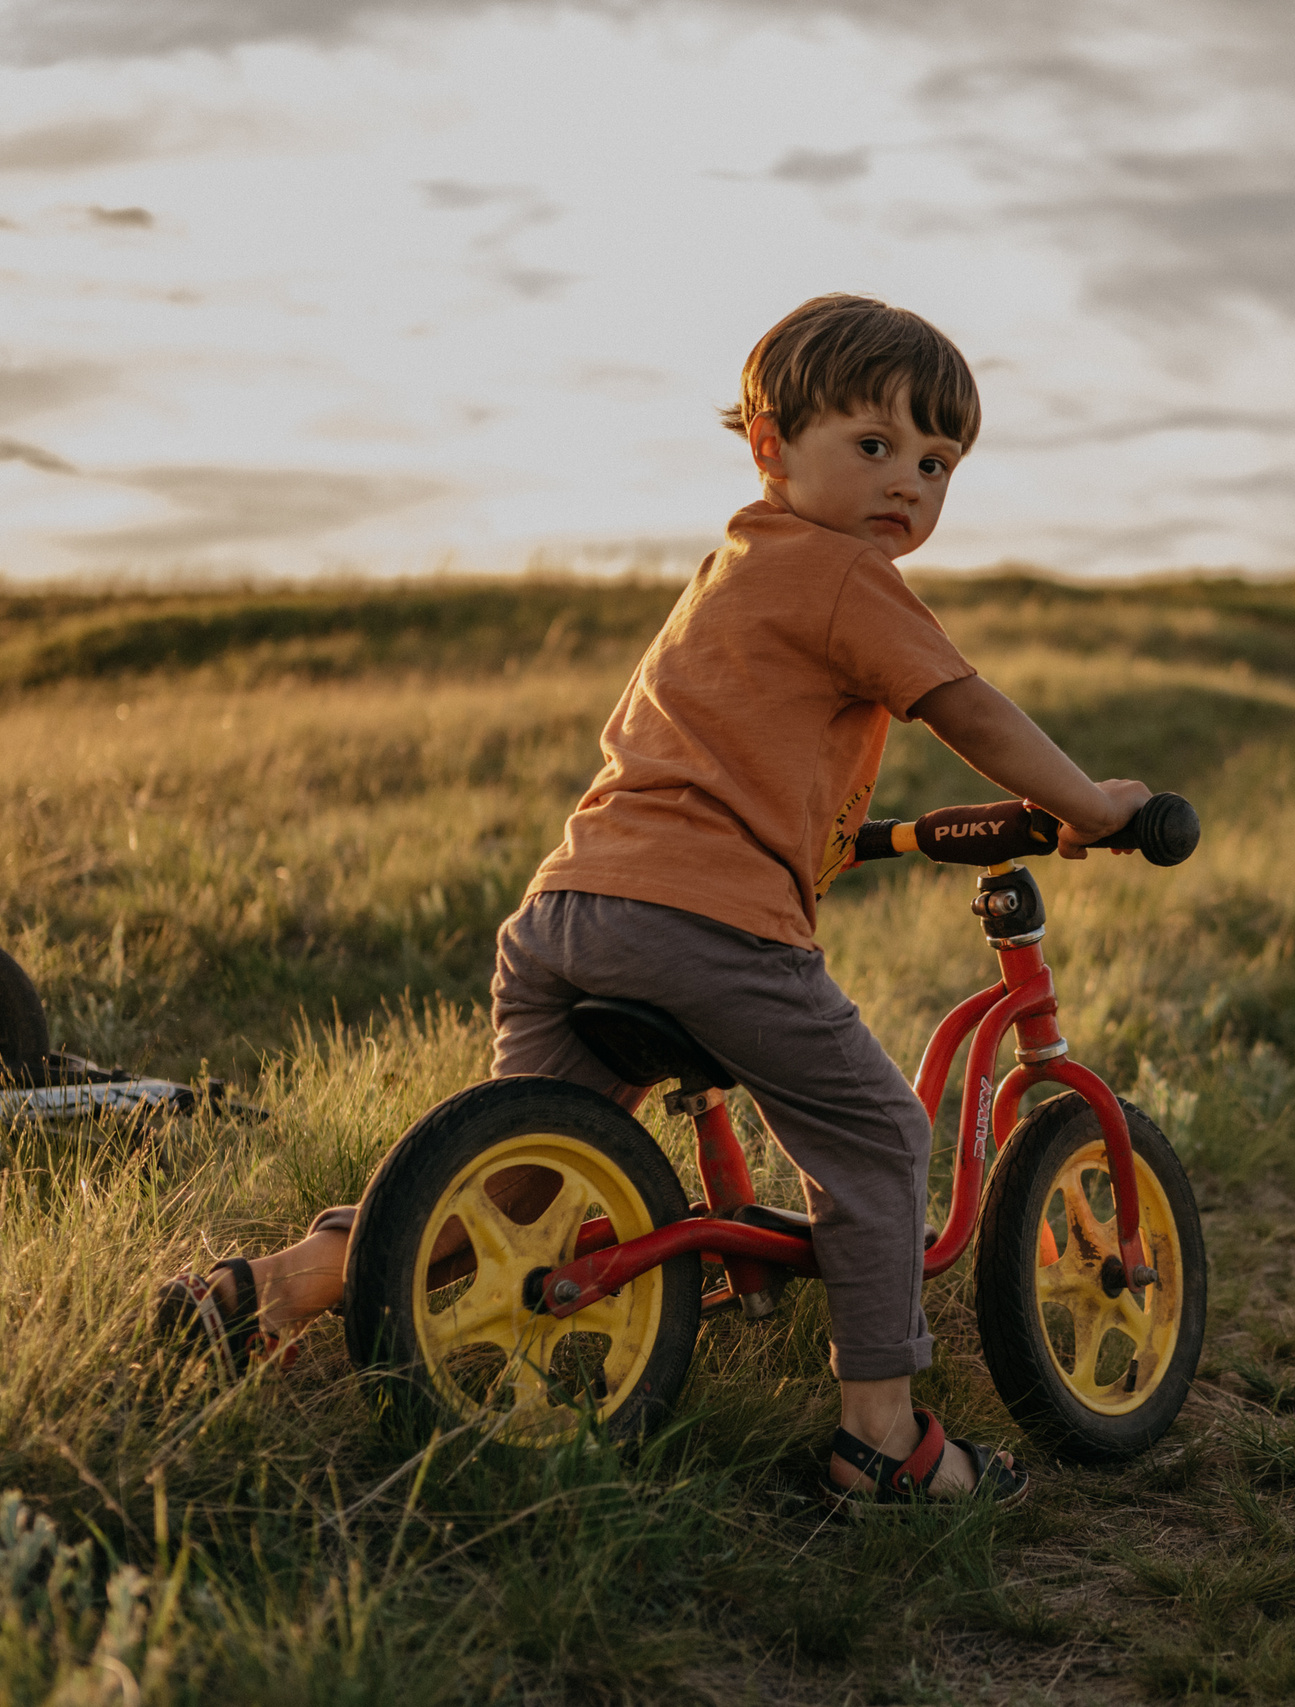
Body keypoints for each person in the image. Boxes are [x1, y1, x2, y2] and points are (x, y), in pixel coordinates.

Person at [156, 294, 1152, 1504]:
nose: (909, 486)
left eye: (938, 463)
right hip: (705, 931)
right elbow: (967, 708)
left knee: (515, 1181)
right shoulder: (848, 577)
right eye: (875, 447)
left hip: (571, 913)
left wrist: (864, 834)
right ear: (771, 445)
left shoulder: (733, 568)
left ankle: (269, 1290)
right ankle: (880, 1438)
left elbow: (733, 768)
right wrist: (1089, 805)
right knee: (881, 1137)